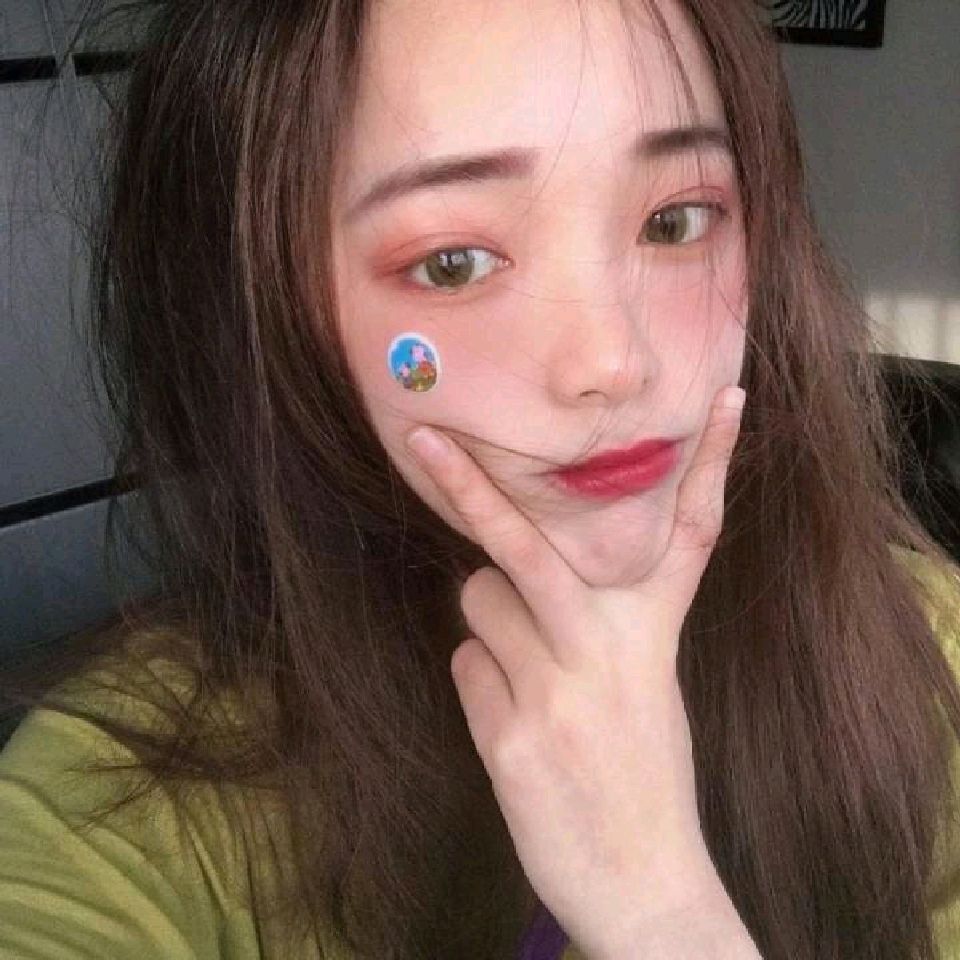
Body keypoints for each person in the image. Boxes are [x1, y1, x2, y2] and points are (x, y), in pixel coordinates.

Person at [1, 0, 959, 958]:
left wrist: (664, 910)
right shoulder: (117, 808)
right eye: (452, 264)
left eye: (674, 221)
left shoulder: (927, 651)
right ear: (269, 313)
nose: (614, 362)